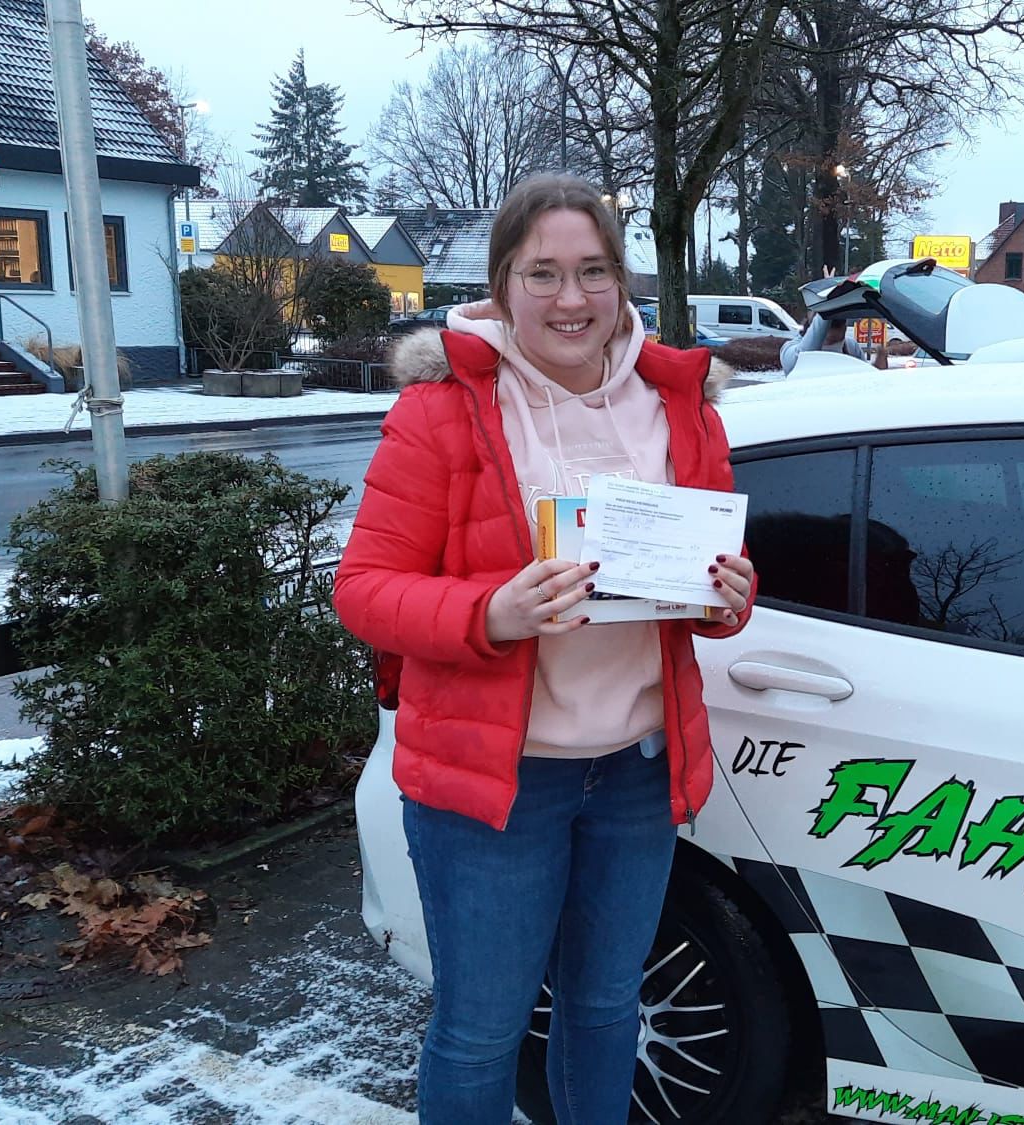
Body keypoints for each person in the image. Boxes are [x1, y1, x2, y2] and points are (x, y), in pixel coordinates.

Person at [331, 173, 755, 1125]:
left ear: (622, 281)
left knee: (606, 1010)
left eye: (595, 271)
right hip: (496, 778)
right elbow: (362, 589)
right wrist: (493, 612)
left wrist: (730, 597)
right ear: (504, 285)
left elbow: (708, 580)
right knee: (482, 1030)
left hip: (636, 769)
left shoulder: (681, 403)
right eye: (544, 273)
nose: (573, 298)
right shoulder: (443, 409)